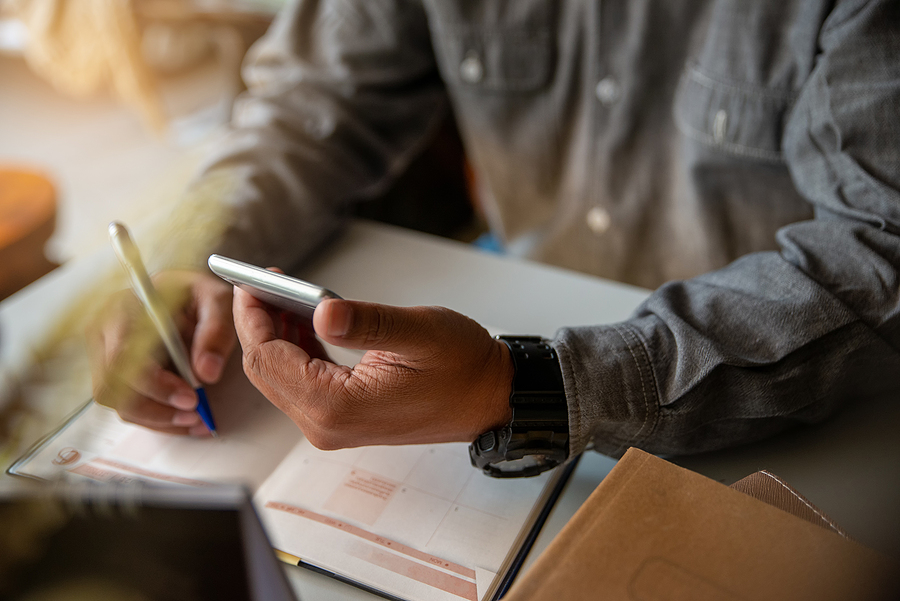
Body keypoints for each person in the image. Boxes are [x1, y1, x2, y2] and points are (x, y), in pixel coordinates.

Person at [90, 0, 900, 466]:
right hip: (498, 350)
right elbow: (311, 106)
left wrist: (529, 388)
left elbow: (882, 248)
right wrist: (182, 257)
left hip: (801, 433)